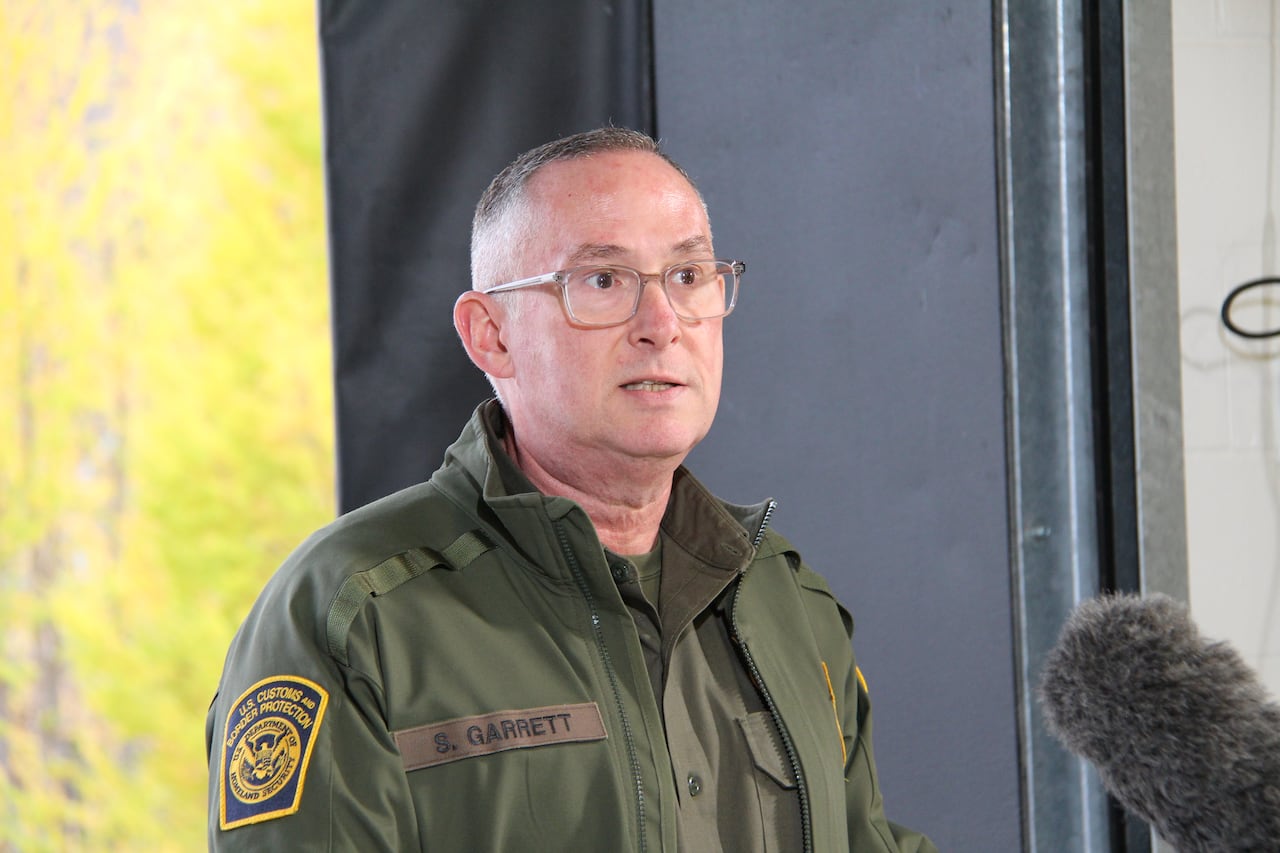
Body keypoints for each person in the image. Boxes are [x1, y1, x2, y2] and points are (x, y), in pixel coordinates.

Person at [206, 127, 936, 852]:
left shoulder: (788, 604)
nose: (662, 326)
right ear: (490, 334)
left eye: (688, 277)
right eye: (603, 281)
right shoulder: (356, 616)